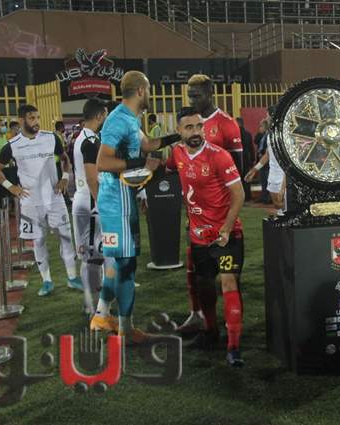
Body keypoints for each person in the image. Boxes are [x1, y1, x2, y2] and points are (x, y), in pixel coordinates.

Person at [91, 71, 180, 343]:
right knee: (126, 265)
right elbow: (103, 162)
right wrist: (141, 164)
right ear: (141, 90)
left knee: (117, 262)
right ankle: (126, 330)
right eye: (149, 89)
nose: (150, 94)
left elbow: (148, 144)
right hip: (116, 202)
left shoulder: (129, 118)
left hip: (121, 199)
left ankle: (101, 315)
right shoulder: (118, 120)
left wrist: (178, 136)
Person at [167, 106, 245, 367]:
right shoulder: (177, 154)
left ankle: (234, 347)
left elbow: (239, 194)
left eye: (199, 126)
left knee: (228, 283)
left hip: (226, 236)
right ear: (179, 131)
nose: (196, 132)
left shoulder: (219, 156)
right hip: (199, 238)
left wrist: (226, 228)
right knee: (205, 287)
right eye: (189, 127)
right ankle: (211, 332)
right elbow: (165, 167)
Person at [0, 104, 82, 296]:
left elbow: (65, 159)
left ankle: (73, 278)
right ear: (21, 120)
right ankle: (47, 281)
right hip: (31, 203)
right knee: (38, 241)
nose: (37, 121)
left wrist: (65, 178)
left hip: (55, 199)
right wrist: (12, 188)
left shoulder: (51, 138)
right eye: (32, 118)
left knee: (66, 237)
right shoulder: (12, 145)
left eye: (38, 117)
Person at [181, 73, 243, 335]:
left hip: (221, 216)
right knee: (195, 269)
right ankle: (197, 315)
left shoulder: (227, 124)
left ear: (210, 93)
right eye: (190, 96)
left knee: (228, 275)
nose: (192, 100)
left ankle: (231, 331)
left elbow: (238, 170)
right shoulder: (188, 123)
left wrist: (224, 213)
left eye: (197, 95)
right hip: (196, 214)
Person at [72, 98, 113, 318]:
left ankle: (92, 303)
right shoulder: (89, 141)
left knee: (94, 255)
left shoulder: (85, 137)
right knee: (93, 256)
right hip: (89, 201)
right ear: (99, 116)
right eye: (105, 115)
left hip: (84, 199)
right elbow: (91, 177)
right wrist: (100, 203)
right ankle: (93, 305)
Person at [236, 117, 254, 202]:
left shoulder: (235, 134)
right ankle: (248, 196)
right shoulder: (248, 134)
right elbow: (251, 148)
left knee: (238, 179)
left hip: (237, 159)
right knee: (247, 178)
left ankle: (240, 197)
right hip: (247, 159)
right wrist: (253, 159)